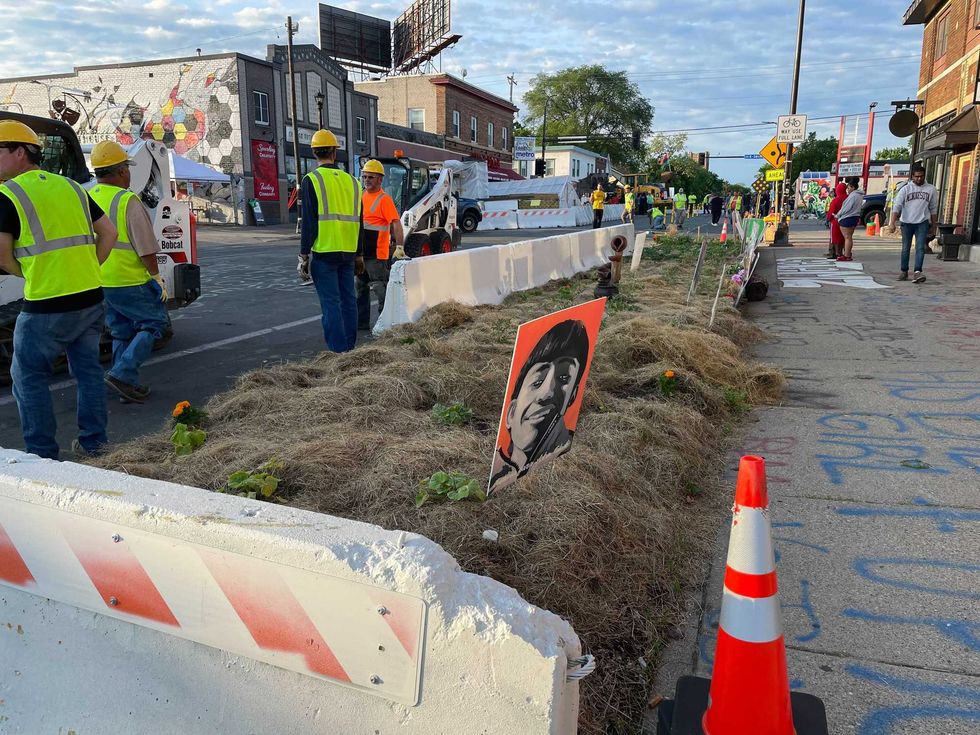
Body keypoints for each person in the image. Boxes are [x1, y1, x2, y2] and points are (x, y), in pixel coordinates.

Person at [0, 119, 117, 459]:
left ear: (20, 152)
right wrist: (88, 267)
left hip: (46, 304)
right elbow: (107, 233)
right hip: (91, 297)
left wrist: (31, 273)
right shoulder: (73, 187)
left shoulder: (8, 195)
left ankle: (42, 454)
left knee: (28, 376)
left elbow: (2, 256)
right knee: (88, 372)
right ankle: (96, 444)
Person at [87, 141, 169, 404]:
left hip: (102, 280)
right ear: (121, 171)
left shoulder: (87, 197)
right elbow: (145, 245)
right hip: (131, 280)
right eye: (127, 168)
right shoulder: (127, 200)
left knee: (121, 331)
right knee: (155, 324)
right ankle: (122, 373)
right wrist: (156, 276)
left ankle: (125, 383)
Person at [489, 319, 590, 490]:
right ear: (511, 413)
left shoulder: (575, 468)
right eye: (537, 382)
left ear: (572, 396)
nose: (547, 393)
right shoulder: (496, 478)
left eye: (564, 378)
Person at [297, 129, 363, 353]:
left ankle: (338, 351)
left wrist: (304, 255)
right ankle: (349, 347)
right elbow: (359, 222)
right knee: (348, 300)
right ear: (335, 152)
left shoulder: (312, 180)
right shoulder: (353, 182)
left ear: (314, 152)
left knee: (331, 304)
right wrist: (360, 254)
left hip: (325, 252)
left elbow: (309, 222)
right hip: (349, 251)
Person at [356, 159, 405, 330]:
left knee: (380, 289)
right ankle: (361, 323)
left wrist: (399, 247)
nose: (367, 180)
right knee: (360, 288)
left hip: (377, 255)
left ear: (379, 180)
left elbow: (396, 223)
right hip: (361, 253)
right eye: (365, 177)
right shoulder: (361, 196)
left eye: (371, 177)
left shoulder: (384, 199)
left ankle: (385, 324)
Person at [887, 163, 937, 283]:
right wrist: (892, 223)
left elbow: (933, 208)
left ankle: (917, 272)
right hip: (907, 222)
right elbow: (897, 206)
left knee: (920, 247)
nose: (919, 179)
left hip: (922, 222)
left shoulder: (931, 189)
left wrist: (934, 226)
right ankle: (904, 271)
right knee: (906, 248)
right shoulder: (905, 189)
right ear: (912, 176)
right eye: (916, 176)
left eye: (921, 176)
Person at [833, 177, 863, 262]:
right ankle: (848, 253)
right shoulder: (859, 195)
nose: (847, 190)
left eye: (849, 188)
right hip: (854, 217)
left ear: (853, 187)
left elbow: (846, 208)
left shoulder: (853, 196)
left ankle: (847, 255)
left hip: (847, 217)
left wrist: (838, 215)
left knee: (847, 237)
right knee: (849, 237)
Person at [825, 182, 846, 259]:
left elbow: (831, 211)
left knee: (835, 237)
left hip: (835, 220)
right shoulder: (848, 198)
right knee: (844, 237)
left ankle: (836, 253)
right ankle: (844, 252)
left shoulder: (836, 200)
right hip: (846, 219)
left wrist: (829, 218)